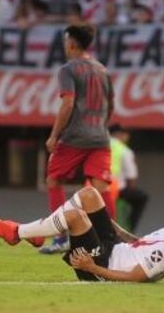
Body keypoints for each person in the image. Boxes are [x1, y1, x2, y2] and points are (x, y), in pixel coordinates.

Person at [0, 186, 164, 283]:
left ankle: (17, 232)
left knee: (75, 217)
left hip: (100, 266)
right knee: (89, 195)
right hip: (112, 246)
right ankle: (34, 234)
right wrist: (107, 223)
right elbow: (137, 243)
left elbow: (136, 278)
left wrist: (92, 268)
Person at [40, 23, 115, 254]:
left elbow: (68, 102)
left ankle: (61, 238)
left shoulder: (68, 69)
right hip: (100, 137)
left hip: (74, 137)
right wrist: (101, 126)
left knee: (54, 180)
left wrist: (54, 135)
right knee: (101, 187)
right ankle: (110, 240)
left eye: (65, 41)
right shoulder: (102, 70)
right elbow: (110, 105)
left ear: (71, 43)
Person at [109, 124, 149, 232]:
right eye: (126, 134)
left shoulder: (99, 145)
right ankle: (130, 230)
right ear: (119, 134)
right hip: (116, 189)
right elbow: (131, 176)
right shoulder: (123, 150)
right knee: (142, 197)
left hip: (93, 187)